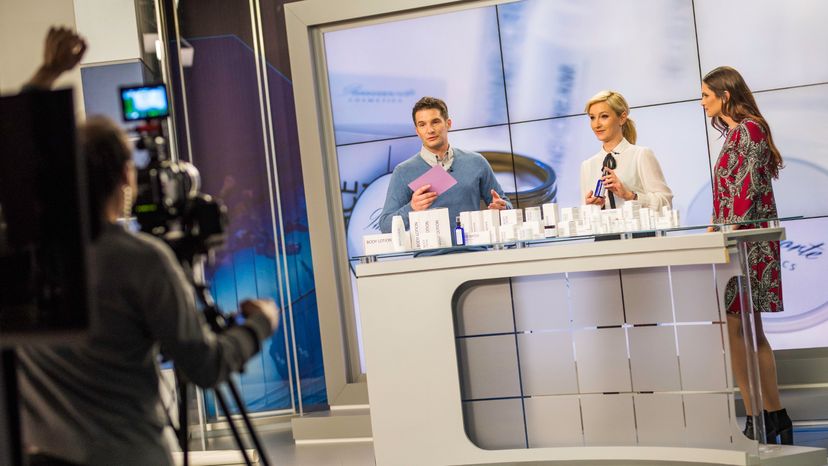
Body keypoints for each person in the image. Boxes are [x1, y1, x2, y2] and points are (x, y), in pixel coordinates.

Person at [15, 28, 280, 466]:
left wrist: (47, 73)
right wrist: (259, 325)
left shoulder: (28, 253)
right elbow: (205, 366)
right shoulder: (138, 261)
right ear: (125, 177)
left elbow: (17, 152)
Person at [701, 66, 791, 444]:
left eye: (705, 95)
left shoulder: (751, 129)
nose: (702, 102)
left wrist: (726, 230)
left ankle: (767, 415)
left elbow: (748, 188)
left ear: (724, 95)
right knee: (741, 329)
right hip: (735, 242)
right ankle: (764, 416)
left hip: (749, 244)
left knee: (748, 330)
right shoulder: (736, 135)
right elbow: (727, 194)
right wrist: (713, 225)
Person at [378, 96, 511, 234]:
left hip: (473, 252)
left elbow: (506, 205)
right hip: (429, 255)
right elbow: (385, 226)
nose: (430, 130)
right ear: (417, 131)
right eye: (422, 124)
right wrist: (412, 208)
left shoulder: (476, 162)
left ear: (448, 124)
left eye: (435, 122)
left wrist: (503, 208)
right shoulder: (403, 171)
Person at [580, 90, 672, 210]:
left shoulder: (641, 155)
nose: (596, 124)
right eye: (592, 118)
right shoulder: (587, 165)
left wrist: (629, 195)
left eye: (604, 116)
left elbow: (666, 203)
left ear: (622, 118)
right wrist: (592, 207)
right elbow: (585, 219)